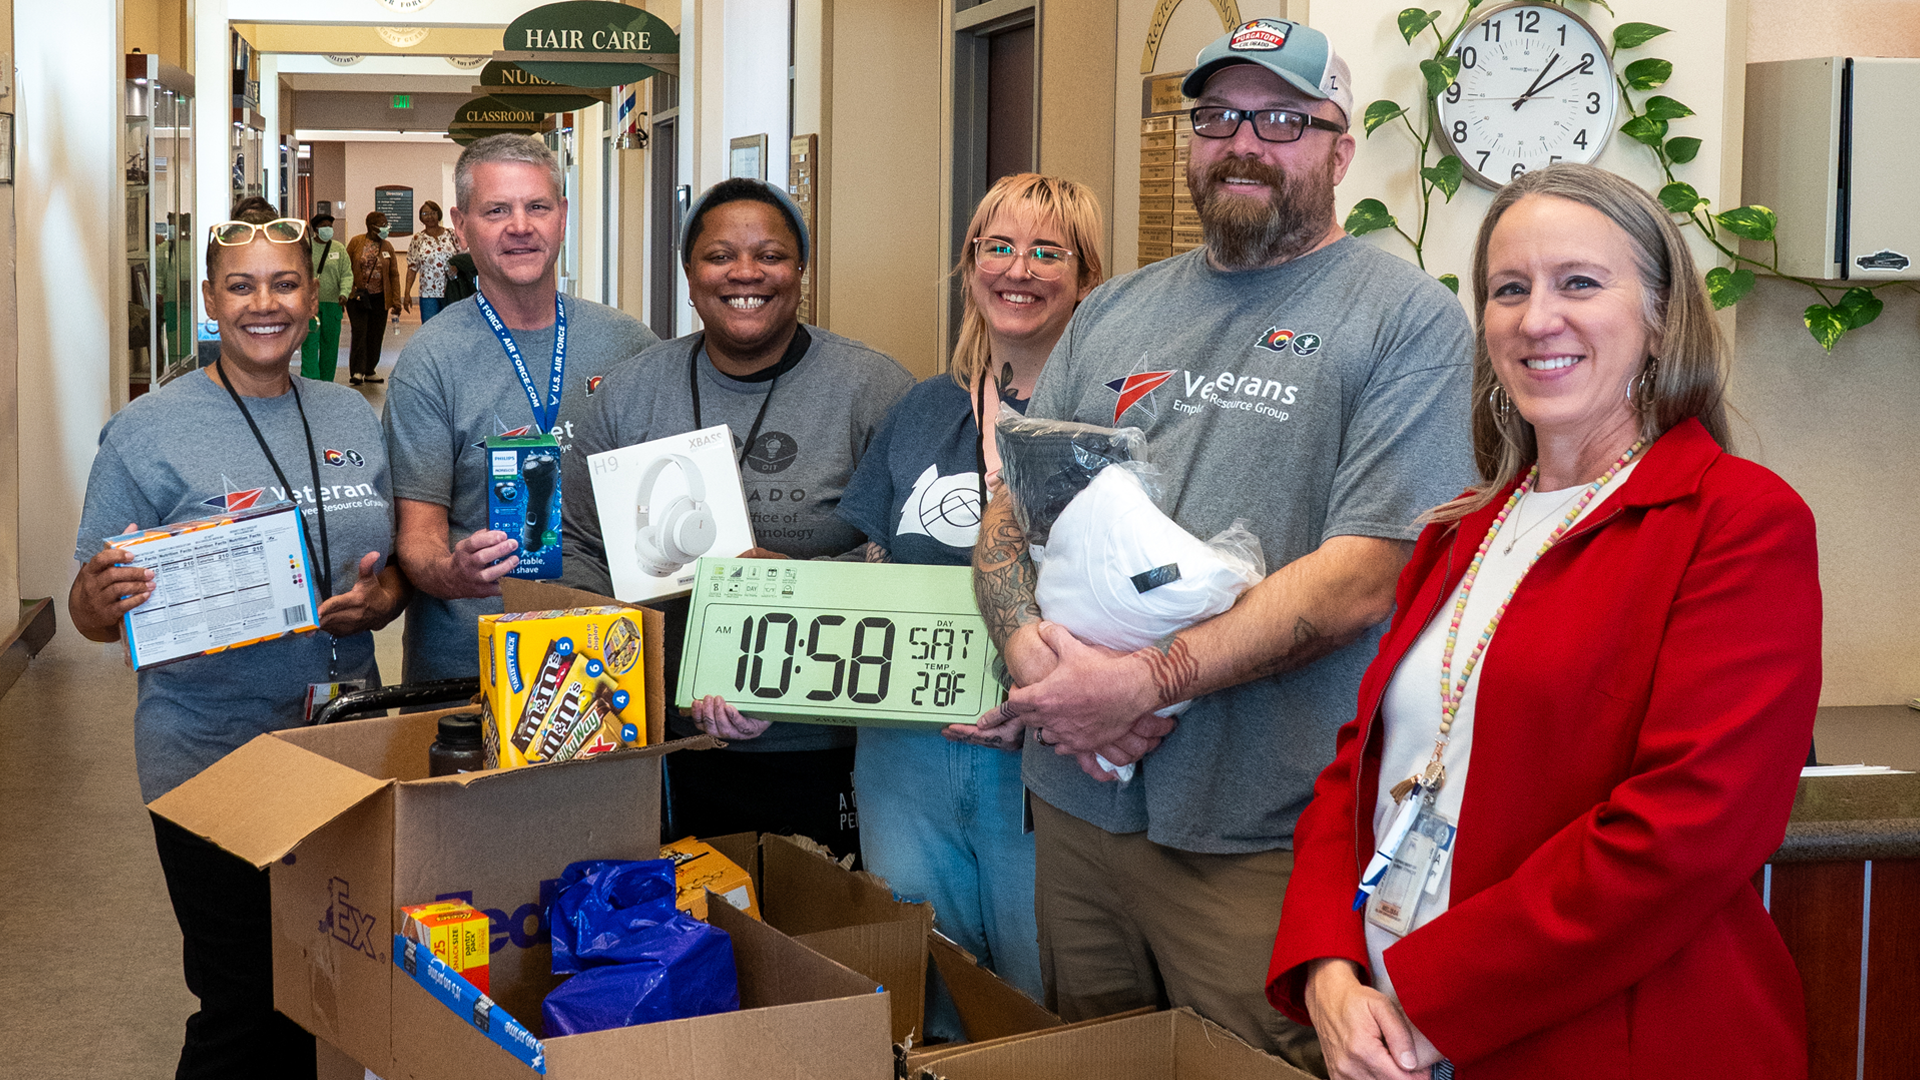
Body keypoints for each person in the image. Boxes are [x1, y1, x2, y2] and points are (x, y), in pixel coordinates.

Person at [965, 19, 1474, 1069]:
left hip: (1258, 835)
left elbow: (1364, 577)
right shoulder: (1111, 314)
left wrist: (1142, 681)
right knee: (1088, 1057)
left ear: (1339, 149)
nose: (1244, 142)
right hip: (1078, 809)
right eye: (1219, 117)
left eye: (1284, 119)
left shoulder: (1406, 323)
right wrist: (1038, 666)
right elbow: (1010, 517)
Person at [1268, 164, 1822, 1080]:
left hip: (1609, 1044)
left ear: (1657, 316)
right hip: (1392, 1031)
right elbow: (1359, 765)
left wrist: (1430, 996)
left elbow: (1684, 833)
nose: (1536, 319)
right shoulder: (1463, 527)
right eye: (1508, 290)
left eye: (1579, 283)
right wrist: (1330, 967)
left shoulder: (1737, 522)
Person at [69, 196, 409, 1080]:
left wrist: (382, 600)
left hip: (343, 746)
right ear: (211, 303)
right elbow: (86, 614)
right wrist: (103, 599)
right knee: (243, 999)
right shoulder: (146, 433)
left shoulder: (346, 416)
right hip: (210, 755)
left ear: (311, 299)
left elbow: (393, 573)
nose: (266, 303)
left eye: (285, 284)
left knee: (329, 978)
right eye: (243, 287)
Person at [814, 173, 1105, 1021]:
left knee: (1040, 996)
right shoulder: (920, 411)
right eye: (997, 247)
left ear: (1086, 276)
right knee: (927, 986)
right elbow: (876, 563)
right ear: (969, 264)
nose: (1019, 268)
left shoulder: (1108, 420)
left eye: (1049, 251)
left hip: (1044, 760)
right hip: (906, 757)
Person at [560, 177, 913, 859]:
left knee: (824, 942)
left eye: (771, 255)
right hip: (666, 736)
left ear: (802, 271)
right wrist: (634, 667)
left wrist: (799, 587)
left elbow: (907, 552)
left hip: (825, 739)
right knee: (691, 941)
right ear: (690, 277)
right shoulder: (631, 394)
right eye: (720, 256)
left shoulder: (873, 390)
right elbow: (578, 545)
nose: (745, 273)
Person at [385, 134, 658, 684]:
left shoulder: (630, 346)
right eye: (496, 210)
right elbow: (417, 538)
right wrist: (451, 571)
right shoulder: (430, 362)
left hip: (607, 659)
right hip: (471, 669)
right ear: (461, 227)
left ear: (561, 214)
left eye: (537, 206)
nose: (520, 226)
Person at [345, 210, 400, 385]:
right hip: (358, 297)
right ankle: (357, 371)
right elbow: (346, 267)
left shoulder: (387, 246)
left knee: (376, 334)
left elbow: (394, 275)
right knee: (360, 332)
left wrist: (396, 300)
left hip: (380, 297)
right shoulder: (356, 242)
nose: (386, 228)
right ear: (371, 227)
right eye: (382, 224)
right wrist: (346, 290)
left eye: (386, 224)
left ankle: (370, 370)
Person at [299, 212, 351, 382]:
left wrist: (344, 293)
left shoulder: (339, 248)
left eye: (330, 226)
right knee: (310, 344)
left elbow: (346, 274)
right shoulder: (305, 248)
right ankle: (310, 380)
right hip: (310, 304)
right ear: (315, 229)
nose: (328, 229)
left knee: (330, 346)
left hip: (332, 304)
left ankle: (327, 383)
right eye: (324, 226)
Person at [405, 200, 460, 323]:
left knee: (451, 327)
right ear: (420, 218)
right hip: (428, 294)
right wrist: (407, 292)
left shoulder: (451, 234)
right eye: (425, 214)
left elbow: (463, 257)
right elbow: (412, 267)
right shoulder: (417, 239)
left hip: (451, 291)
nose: (429, 217)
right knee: (430, 329)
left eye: (433, 213)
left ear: (438, 214)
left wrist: (457, 267)